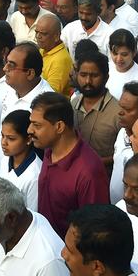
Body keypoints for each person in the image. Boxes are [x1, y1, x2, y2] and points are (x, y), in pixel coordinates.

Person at [31, 92, 108, 236]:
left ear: (59, 127)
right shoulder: (49, 150)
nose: (30, 130)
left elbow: (94, 229)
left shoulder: (88, 171)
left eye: (37, 125)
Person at [71, 52, 121, 163]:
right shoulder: (72, 105)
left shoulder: (118, 112)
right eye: (83, 75)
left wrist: (95, 163)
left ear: (106, 77)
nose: (88, 81)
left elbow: (124, 154)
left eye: (94, 76)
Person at [0, 109, 41, 210]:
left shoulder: (35, 176)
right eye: (2, 136)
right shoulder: (5, 160)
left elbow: (33, 213)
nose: (3, 142)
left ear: (28, 139)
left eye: (11, 138)